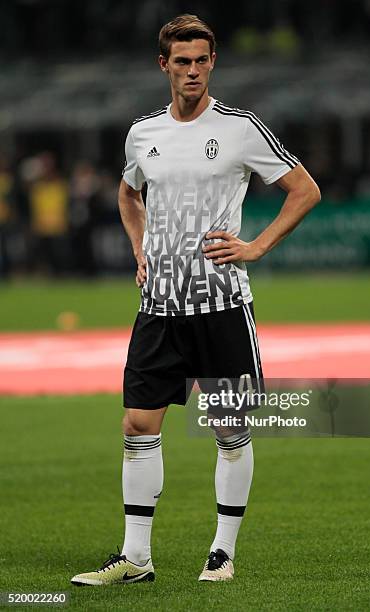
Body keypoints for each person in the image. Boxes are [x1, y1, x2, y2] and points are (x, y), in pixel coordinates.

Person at [71, 13, 320, 586]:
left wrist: (255, 247)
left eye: (201, 60)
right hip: (159, 307)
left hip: (222, 306)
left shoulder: (240, 128)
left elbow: (304, 190)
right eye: (180, 61)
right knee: (138, 424)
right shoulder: (143, 134)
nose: (191, 71)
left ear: (213, 62)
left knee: (230, 431)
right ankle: (136, 559)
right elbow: (128, 194)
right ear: (164, 65)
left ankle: (222, 554)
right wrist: (140, 249)